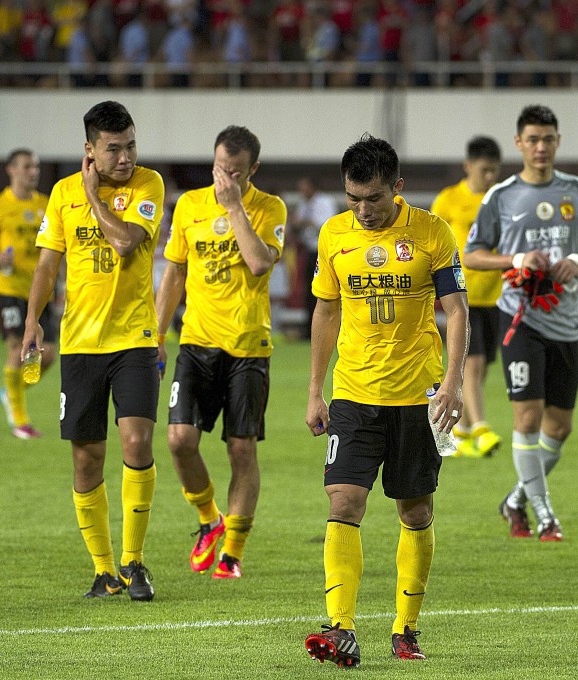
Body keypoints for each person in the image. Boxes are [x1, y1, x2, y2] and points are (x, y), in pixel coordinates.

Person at [303, 133, 469, 667]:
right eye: (353, 199)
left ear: (396, 187)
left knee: (414, 510)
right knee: (343, 501)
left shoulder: (431, 232)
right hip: (353, 393)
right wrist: (314, 388)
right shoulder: (334, 235)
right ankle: (341, 627)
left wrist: (453, 382)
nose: (363, 210)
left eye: (373, 198)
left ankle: (405, 627)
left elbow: (458, 310)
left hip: (417, 395)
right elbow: (326, 311)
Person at [21, 101, 165, 601]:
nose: (125, 157)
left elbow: (126, 243)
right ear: (90, 149)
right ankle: (105, 571)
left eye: (130, 146)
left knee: (136, 445)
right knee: (87, 460)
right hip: (81, 344)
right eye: (113, 148)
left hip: (135, 340)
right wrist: (32, 323)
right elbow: (46, 265)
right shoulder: (61, 195)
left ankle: (134, 561)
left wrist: (94, 198)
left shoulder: (148, 185)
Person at [154, 126, 286, 580]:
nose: (223, 179)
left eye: (233, 171)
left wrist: (234, 208)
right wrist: (155, 333)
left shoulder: (270, 209)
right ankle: (209, 519)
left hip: (248, 347)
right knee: (178, 440)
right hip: (196, 341)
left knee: (241, 449)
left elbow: (259, 262)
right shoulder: (189, 205)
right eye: (218, 168)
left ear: (252, 170)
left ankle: (232, 552)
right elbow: (173, 273)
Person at [464, 104, 578, 542]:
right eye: (533, 139)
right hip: (520, 319)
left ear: (557, 142)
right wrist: (517, 259)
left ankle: (515, 500)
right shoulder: (501, 195)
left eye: (548, 139)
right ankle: (545, 516)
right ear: (519, 143)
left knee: (559, 428)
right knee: (526, 419)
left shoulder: (576, 190)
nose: (541, 147)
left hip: (567, 321)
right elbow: (471, 254)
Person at [0, 148, 56, 440]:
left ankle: (10, 392)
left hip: (40, 292)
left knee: (46, 357)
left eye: (36, 166)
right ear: (11, 170)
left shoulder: (47, 205)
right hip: (9, 291)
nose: (33, 171)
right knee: (17, 349)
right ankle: (20, 421)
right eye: (27, 166)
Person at [430, 135, 503, 458]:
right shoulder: (448, 200)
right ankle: (481, 428)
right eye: (485, 170)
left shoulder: (500, 200)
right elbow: (432, 243)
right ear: (468, 166)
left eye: (494, 171)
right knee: (470, 366)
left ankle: (459, 431)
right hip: (461, 296)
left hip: (495, 296)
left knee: (482, 366)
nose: (490, 177)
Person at [289, 175, 338, 339]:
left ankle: (326, 328)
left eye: (304, 187)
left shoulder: (325, 201)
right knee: (308, 290)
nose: (301, 191)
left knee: (323, 290)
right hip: (308, 250)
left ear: (312, 186)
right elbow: (299, 225)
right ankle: (309, 328)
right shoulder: (304, 204)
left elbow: (326, 225)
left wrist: (304, 222)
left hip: (322, 251)